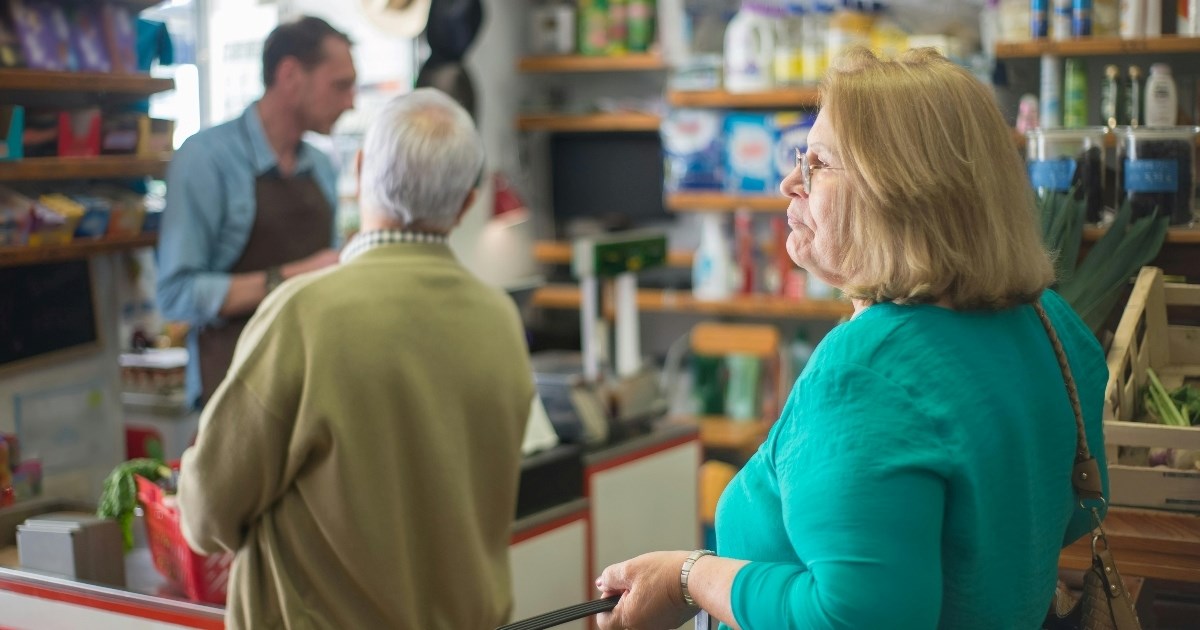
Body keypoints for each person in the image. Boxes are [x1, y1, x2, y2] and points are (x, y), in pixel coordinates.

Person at [595, 48, 1110, 630]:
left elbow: (849, 619)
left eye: (817, 163)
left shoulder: (864, 373)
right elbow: (1078, 509)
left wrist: (689, 577)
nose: (791, 181)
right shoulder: (1050, 321)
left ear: (900, 191)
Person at [175, 88, 535, 629]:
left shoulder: (304, 316)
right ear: (465, 203)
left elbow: (206, 514)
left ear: (361, 169)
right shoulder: (499, 318)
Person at [156, 16, 356, 407]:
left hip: (312, 385)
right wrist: (293, 276)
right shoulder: (206, 160)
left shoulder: (321, 165)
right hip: (235, 389)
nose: (351, 102)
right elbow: (176, 295)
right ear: (290, 75)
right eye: (340, 85)